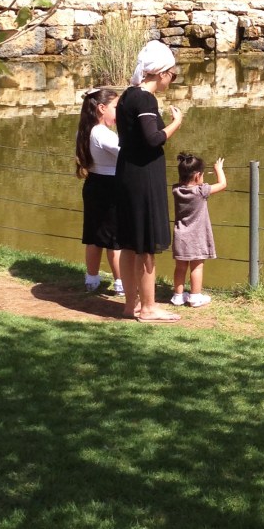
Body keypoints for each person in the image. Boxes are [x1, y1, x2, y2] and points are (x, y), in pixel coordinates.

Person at [115, 40, 184, 321]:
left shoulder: (127, 95)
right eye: (172, 75)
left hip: (127, 172)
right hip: (143, 175)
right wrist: (176, 123)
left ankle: (130, 305)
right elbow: (153, 138)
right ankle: (148, 307)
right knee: (145, 243)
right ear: (162, 73)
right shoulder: (145, 99)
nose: (172, 80)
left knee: (130, 243)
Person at [75, 86, 123, 294]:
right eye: (116, 107)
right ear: (102, 108)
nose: (119, 111)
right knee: (115, 239)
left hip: (93, 184)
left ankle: (91, 279)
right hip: (111, 187)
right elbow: (127, 154)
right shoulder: (103, 134)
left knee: (94, 236)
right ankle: (121, 283)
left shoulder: (84, 131)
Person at [171, 153, 226, 307]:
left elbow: (183, 183)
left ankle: (178, 296)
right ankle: (195, 296)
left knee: (180, 267)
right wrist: (219, 169)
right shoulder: (201, 191)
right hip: (197, 237)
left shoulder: (176, 190)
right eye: (202, 174)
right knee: (197, 266)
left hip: (180, 236)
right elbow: (222, 184)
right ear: (197, 176)